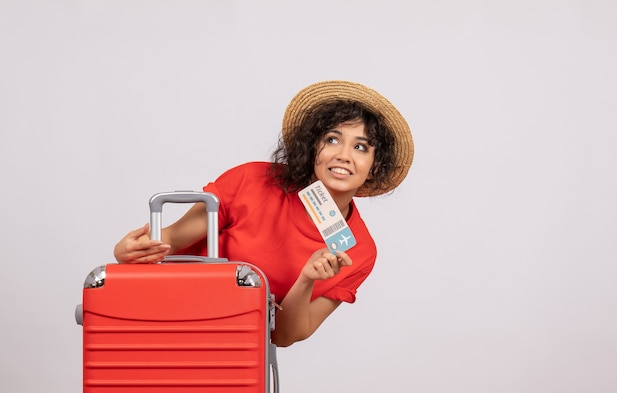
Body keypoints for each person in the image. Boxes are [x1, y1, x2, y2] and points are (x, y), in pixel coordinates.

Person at [113, 80, 414, 347]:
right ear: (312, 147)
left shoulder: (359, 251)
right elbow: (168, 240)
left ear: (375, 166)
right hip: (163, 325)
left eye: (361, 147)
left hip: (235, 353)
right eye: (332, 139)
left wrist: (306, 279)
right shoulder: (252, 181)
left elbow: (283, 337)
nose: (343, 155)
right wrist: (128, 250)